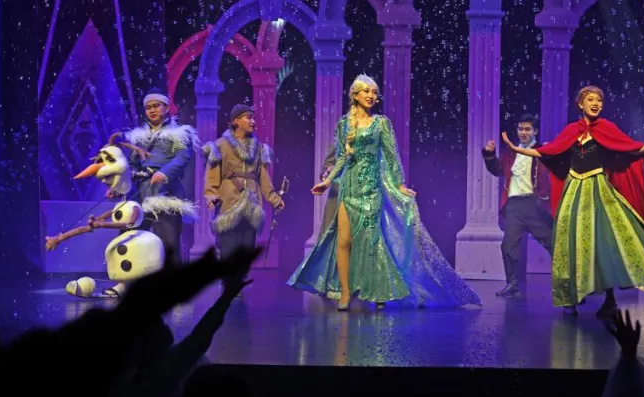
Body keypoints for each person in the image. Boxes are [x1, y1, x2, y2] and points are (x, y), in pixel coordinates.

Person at [288, 74, 481, 311]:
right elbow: (341, 158)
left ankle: (377, 289)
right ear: (355, 95)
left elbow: (391, 156)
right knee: (343, 240)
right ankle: (346, 292)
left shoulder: (381, 124)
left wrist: (399, 185)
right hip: (349, 188)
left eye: (374, 92)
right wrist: (327, 181)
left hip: (371, 190)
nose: (371, 96)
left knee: (371, 242)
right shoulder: (344, 124)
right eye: (366, 91)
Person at [501, 85, 644, 318]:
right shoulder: (572, 130)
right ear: (581, 104)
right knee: (570, 241)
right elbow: (548, 151)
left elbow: (631, 148)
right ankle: (571, 298)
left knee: (606, 240)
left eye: (599, 100)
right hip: (574, 189)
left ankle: (610, 299)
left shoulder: (606, 128)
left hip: (598, 188)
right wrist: (515, 148)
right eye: (590, 99)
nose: (596, 103)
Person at [203, 104, 285, 293]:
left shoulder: (259, 148)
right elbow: (212, 174)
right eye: (248, 117)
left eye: (253, 117)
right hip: (229, 200)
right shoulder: (220, 145)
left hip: (252, 202)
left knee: (247, 245)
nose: (253, 121)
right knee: (229, 244)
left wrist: (274, 198)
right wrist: (211, 194)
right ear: (236, 121)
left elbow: (264, 178)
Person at [481, 113, 554, 297]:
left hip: (535, 206)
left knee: (555, 244)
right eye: (521, 129)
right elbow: (498, 170)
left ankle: (571, 284)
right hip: (514, 206)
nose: (523, 132)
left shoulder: (542, 151)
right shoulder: (511, 152)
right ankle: (512, 284)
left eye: (527, 129)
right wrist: (489, 154)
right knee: (508, 246)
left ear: (535, 131)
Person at [121, 91, 199, 260]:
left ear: (167, 107)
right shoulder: (138, 137)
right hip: (141, 192)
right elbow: (132, 164)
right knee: (130, 238)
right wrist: (118, 185)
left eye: (156, 106)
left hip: (166, 192)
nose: (152, 110)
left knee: (168, 244)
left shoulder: (179, 133)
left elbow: (183, 157)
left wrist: (164, 172)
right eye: (148, 107)